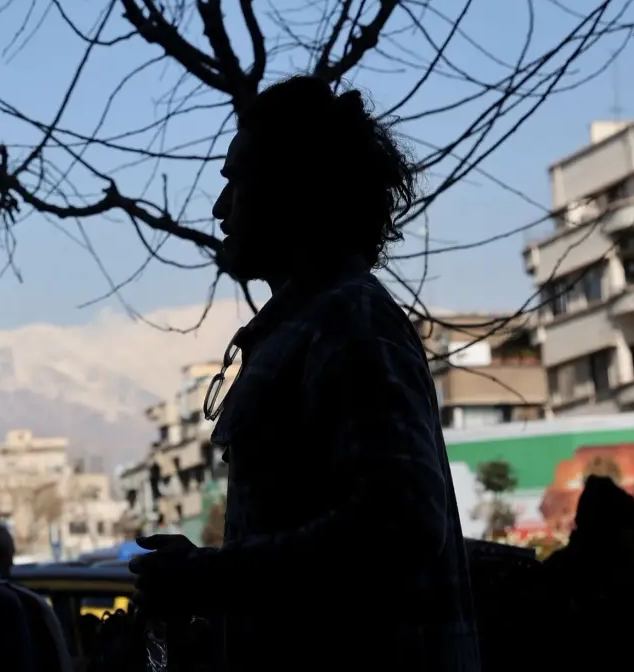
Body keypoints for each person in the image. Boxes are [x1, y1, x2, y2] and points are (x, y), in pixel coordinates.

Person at [129, 76, 481, 672]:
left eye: (237, 183)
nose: (220, 209)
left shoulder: (350, 324)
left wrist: (210, 577)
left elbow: (400, 527)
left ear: (291, 190)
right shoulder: (317, 324)